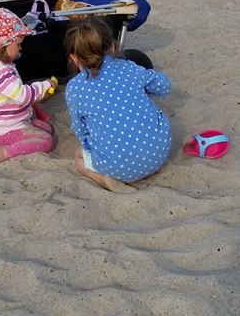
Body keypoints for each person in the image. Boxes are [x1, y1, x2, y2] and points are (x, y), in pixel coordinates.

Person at [64, 17, 172, 193]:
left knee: (79, 158)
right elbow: (164, 86)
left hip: (119, 167)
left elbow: (80, 129)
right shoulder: (129, 67)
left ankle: (103, 178)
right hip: (159, 155)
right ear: (112, 47)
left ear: (74, 58)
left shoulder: (75, 87)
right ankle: (146, 164)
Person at [0, 7, 57, 165]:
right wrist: (44, 86)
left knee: (47, 128)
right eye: (18, 44)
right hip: (2, 131)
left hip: (9, 122)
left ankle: (24, 128)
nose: (21, 47)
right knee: (46, 141)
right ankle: (6, 151)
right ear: (2, 46)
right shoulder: (1, 72)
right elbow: (22, 96)